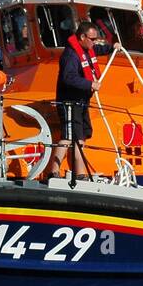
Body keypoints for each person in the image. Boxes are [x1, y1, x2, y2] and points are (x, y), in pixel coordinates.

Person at [48, 20, 116, 179]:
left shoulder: (87, 49)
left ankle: (79, 172)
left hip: (81, 102)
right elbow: (68, 78)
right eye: (92, 39)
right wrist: (89, 83)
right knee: (69, 137)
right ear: (82, 37)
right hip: (70, 102)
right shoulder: (71, 55)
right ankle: (55, 171)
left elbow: (98, 49)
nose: (94, 42)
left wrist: (112, 47)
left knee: (82, 135)